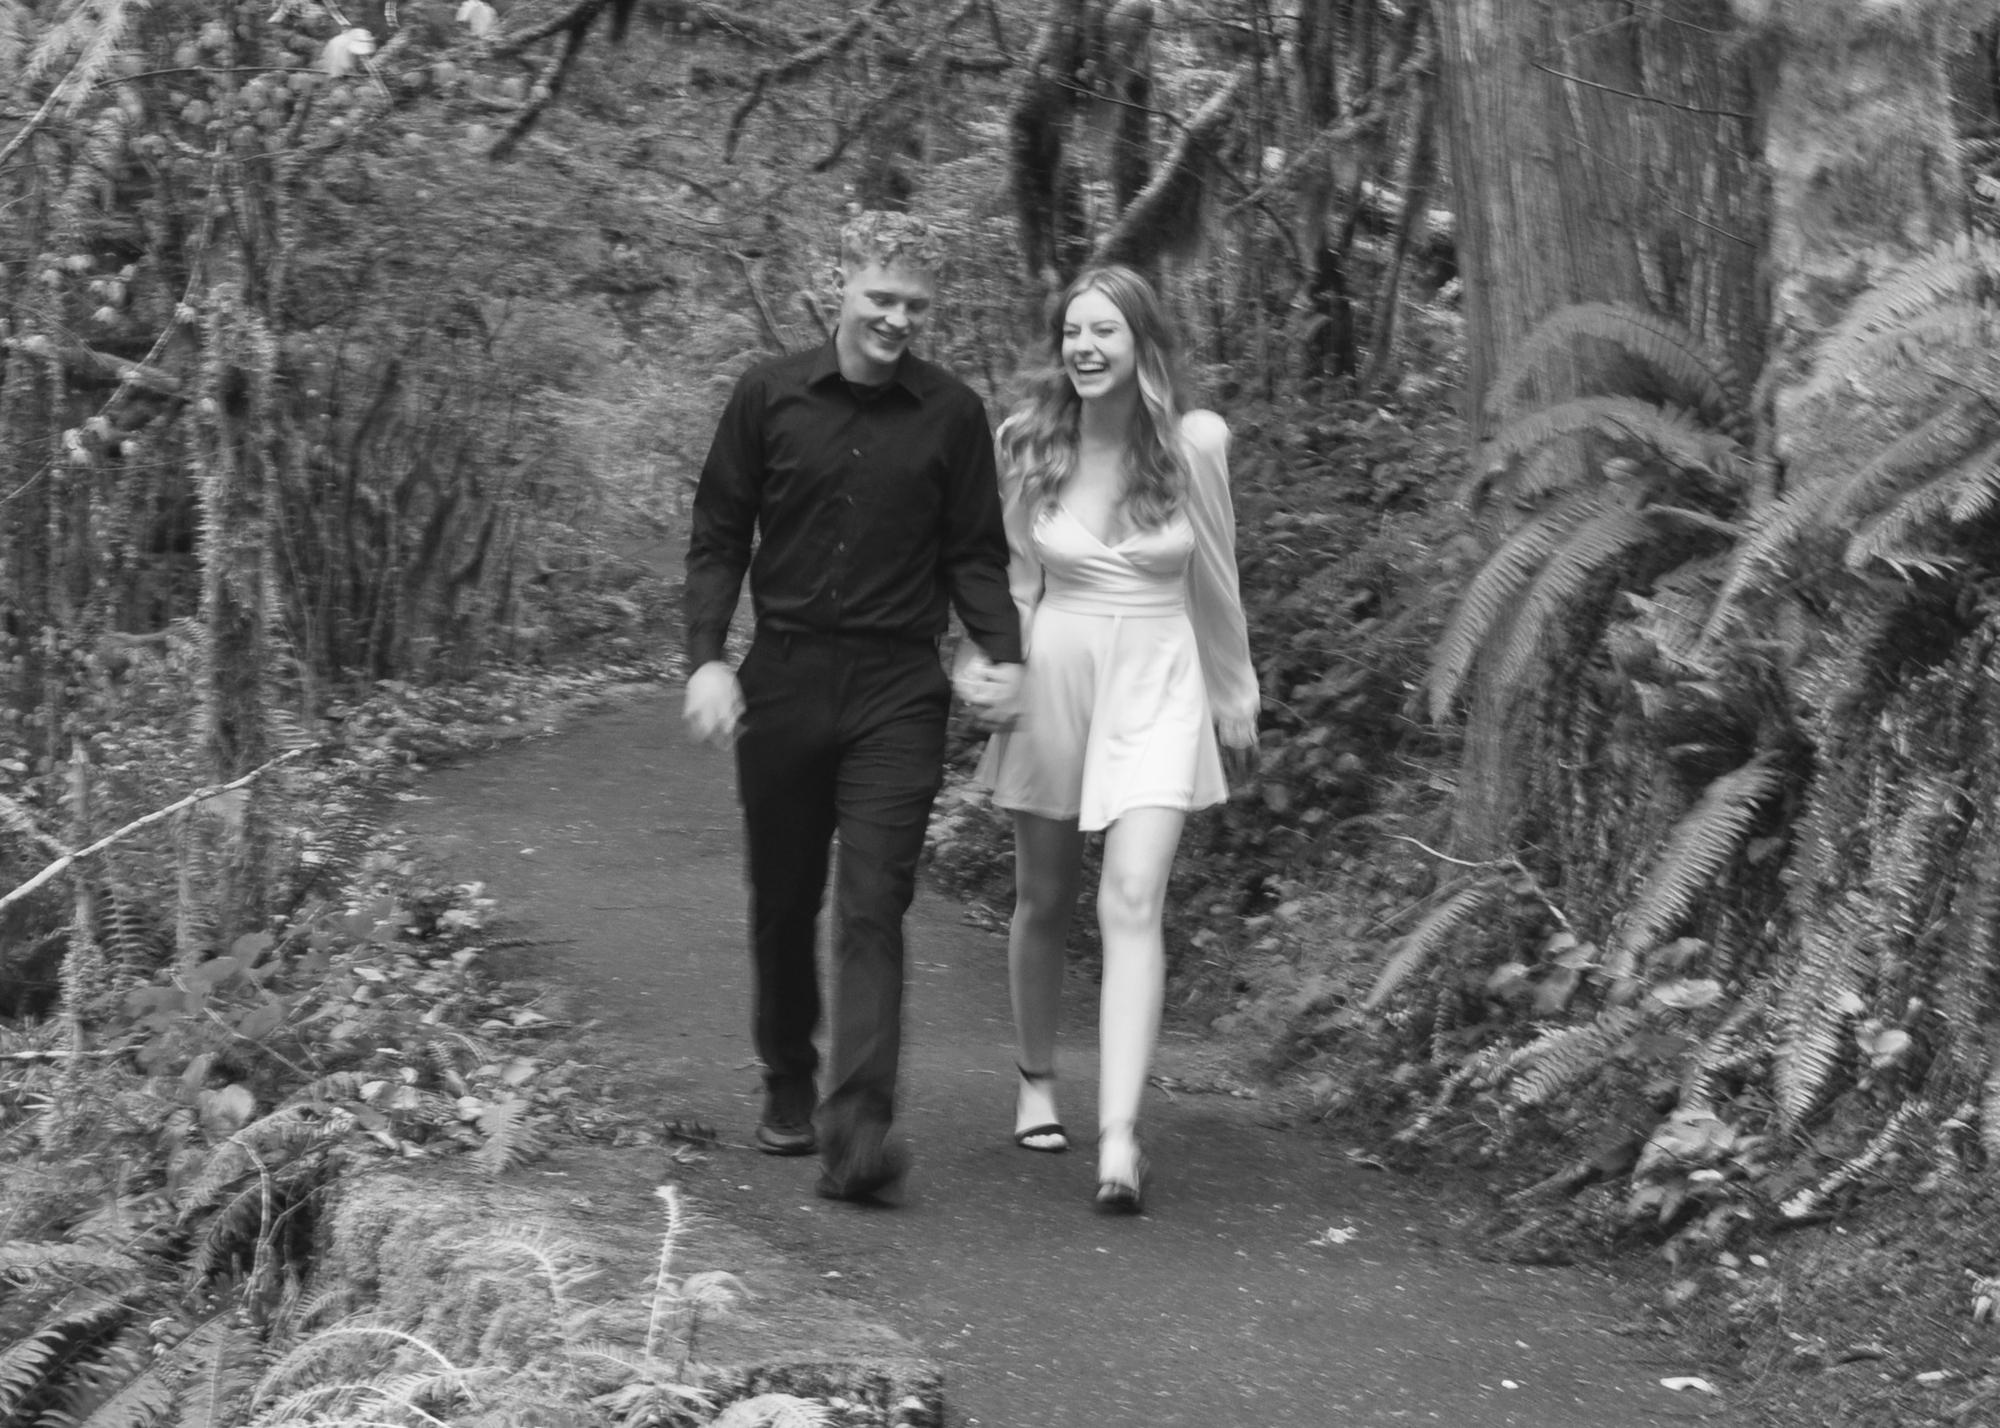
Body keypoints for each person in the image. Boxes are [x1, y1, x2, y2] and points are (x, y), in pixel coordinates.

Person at [682, 211, 1023, 1202]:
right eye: (881, 298)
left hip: (897, 687)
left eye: (916, 305)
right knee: (784, 898)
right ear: (839, 285)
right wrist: (706, 660)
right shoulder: (767, 395)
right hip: (784, 677)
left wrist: (1001, 653)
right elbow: (719, 533)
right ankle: (788, 1075)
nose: (897, 320)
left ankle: (858, 1131)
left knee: (875, 902)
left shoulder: (951, 414)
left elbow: (975, 554)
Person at [962, 265, 1258, 1213]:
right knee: (1045, 895)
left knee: (1132, 897)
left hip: (1160, 678)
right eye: (1073, 333)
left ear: (1142, 343)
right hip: (1057, 671)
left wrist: (1234, 690)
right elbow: (1012, 577)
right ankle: (1036, 1078)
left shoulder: (1193, 443)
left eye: (1105, 332)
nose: (1085, 348)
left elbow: (1215, 577)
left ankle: (1121, 1137)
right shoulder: (1026, 440)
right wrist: (990, 662)